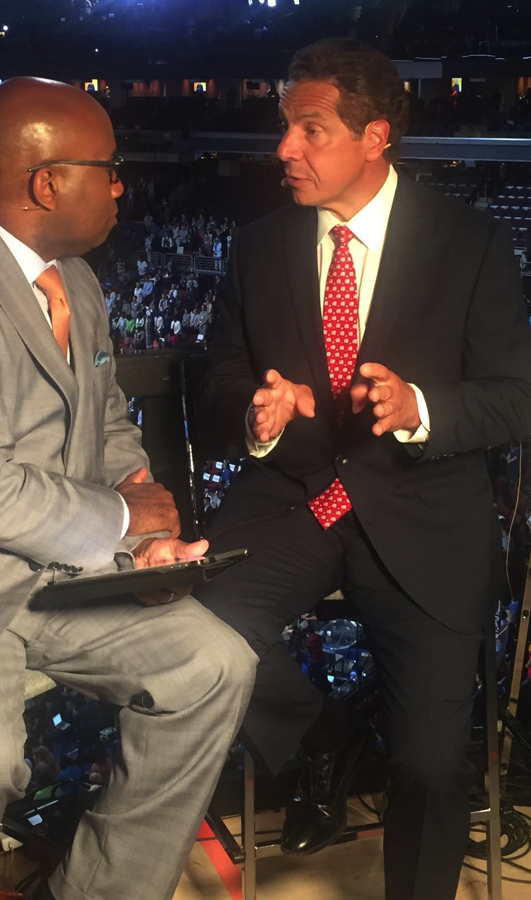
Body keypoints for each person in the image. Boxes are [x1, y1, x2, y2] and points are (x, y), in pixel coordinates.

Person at [0, 77, 257, 900]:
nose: (123, 184)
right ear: (47, 182)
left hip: (49, 580)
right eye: (110, 166)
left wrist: (143, 537)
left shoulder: (79, 283)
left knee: (214, 665)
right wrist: (125, 515)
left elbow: (105, 423)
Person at [195, 38, 531, 900]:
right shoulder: (257, 246)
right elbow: (220, 378)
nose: (283, 150)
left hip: (423, 510)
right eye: (284, 128)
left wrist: (420, 407)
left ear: (374, 135)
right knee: (186, 632)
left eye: (309, 130)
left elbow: (513, 396)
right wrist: (257, 410)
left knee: (425, 762)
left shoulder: (474, 245)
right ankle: (323, 734)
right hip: (292, 496)